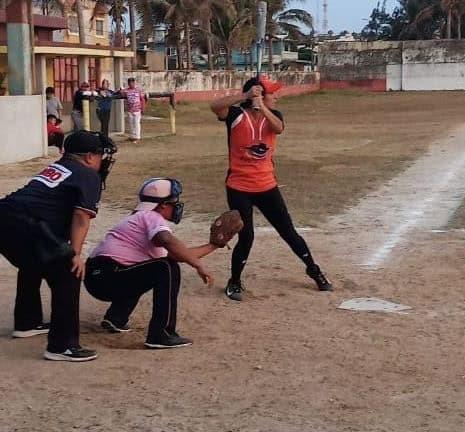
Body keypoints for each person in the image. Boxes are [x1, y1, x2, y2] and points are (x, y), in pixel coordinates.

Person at [210, 76, 333, 301]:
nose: (276, 96)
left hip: (266, 185)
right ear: (257, 94)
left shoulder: (274, 116)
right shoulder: (236, 115)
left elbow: (279, 128)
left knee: (288, 231)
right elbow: (215, 106)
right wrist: (246, 97)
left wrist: (263, 107)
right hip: (239, 187)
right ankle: (234, 281)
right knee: (246, 236)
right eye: (271, 93)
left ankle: (313, 269)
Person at [0, 130, 117, 361]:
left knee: (33, 261)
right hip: (26, 223)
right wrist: (74, 254)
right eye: (100, 155)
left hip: (6, 216)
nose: (102, 161)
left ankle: (27, 322)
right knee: (68, 273)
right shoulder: (87, 174)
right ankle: (62, 346)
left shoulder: (59, 166)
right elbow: (81, 217)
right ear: (89, 157)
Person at [84, 177, 216, 349]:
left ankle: (116, 318)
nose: (177, 206)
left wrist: (213, 245)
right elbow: (166, 241)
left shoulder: (139, 218)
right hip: (108, 274)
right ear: (162, 205)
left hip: (98, 277)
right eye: (173, 202)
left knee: (146, 267)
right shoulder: (151, 216)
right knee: (166, 268)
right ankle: (161, 334)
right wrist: (198, 265)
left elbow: (178, 254)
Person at [121, 77, 145, 144]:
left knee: (136, 123)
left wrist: (143, 108)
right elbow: (121, 92)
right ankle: (132, 136)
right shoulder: (127, 91)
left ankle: (137, 137)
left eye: (132, 82)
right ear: (128, 84)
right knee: (131, 124)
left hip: (137, 109)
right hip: (130, 110)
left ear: (134, 83)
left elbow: (142, 99)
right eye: (130, 83)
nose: (131, 84)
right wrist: (122, 89)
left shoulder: (138, 90)